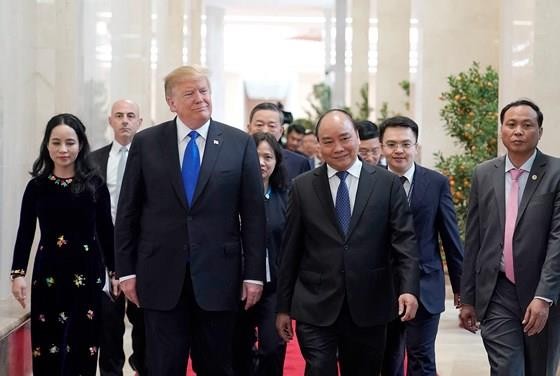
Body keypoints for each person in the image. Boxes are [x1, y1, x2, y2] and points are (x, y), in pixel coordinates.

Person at [114, 65, 266, 376]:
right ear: (171, 102)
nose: (200, 98)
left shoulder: (239, 143)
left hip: (219, 278)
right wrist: (126, 270)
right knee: (162, 366)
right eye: (189, 93)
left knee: (216, 366)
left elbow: (253, 216)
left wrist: (253, 274)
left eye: (204, 90)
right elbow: (128, 210)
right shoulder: (147, 143)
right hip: (159, 276)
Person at [276, 109, 420, 376]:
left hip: (370, 302)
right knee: (319, 368)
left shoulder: (387, 184)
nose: (338, 148)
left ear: (357, 136)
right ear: (318, 145)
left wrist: (408, 288)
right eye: (328, 141)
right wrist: (283, 307)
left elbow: (404, 242)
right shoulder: (302, 187)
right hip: (315, 305)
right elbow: (290, 251)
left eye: (344, 138)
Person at [460, 99, 560, 375]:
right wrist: (467, 297)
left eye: (527, 125)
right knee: (507, 369)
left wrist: (544, 296)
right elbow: (474, 238)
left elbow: (558, 241)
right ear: (501, 130)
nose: (518, 131)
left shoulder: (556, 173)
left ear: (540, 131)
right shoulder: (484, 173)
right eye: (511, 124)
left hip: (543, 293)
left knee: (540, 369)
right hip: (497, 290)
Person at [10, 113, 116, 376]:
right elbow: (25, 232)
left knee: (83, 345)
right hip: (48, 276)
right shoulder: (37, 187)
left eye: (70, 142)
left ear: (80, 144)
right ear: (47, 145)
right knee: (48, 346)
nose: (63, 149)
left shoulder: (95, 185)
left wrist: (115, 272)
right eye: (56, 142)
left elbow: (106, 232)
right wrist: (17, 274)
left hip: (87, 274)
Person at [379, 116, 464, 376]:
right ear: (382, 147)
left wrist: (462, 287)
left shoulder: (435, 183)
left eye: (406, 144)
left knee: (422, 358)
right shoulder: (372, 183)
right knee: (387, 359)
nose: (399, 150)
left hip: (426, 284)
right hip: (382, 287)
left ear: (416, 146)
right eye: (391, 144)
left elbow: (450, 236)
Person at [90, 99, 146, 375]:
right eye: (119, 116)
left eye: (131, 116)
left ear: (140, 122)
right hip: (104, 251)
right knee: (109, 325)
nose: (125, 120)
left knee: (143, 321)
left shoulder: (151, 159)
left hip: (142, 253)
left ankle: (141, 367)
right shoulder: (93, 161)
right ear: (110, 121)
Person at [233, 132, 289, 376]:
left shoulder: (287, 198)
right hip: (237, 286)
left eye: (268, 157)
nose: (261, 163)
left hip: (274, 287)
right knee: (239, 349)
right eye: (256, 156)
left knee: (272, 348)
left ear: (276, 162)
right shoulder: (230, 197)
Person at [246, 102, 310, 183]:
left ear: (281, 131)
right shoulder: (237, 158)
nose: (265, 130)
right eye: (259, 125)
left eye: (271, 126)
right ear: (249, 128)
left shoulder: (299, 163)